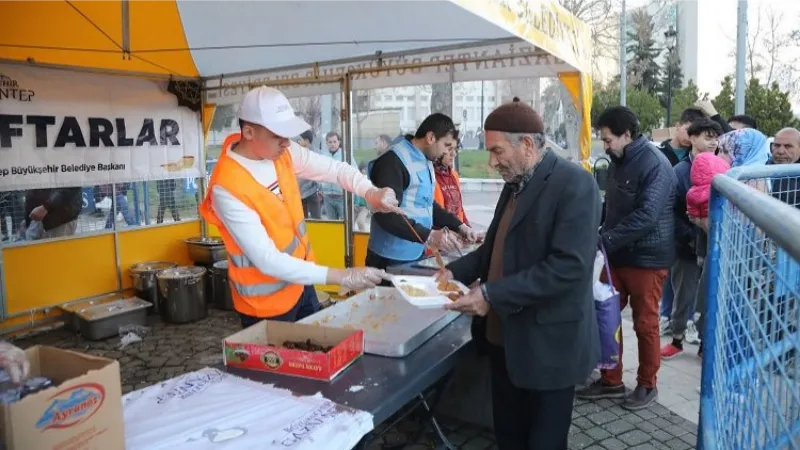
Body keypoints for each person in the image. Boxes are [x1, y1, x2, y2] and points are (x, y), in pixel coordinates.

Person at [436, 101, 601, 450]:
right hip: (504, 341)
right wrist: (451, 271)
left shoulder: (576, 185)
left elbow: (568, 268)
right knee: (509, 437)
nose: (492, 162)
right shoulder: (515, 184)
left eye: (497, 151)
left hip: (548, 349)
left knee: (543, 441)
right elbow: (492, 250)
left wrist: (490, 295)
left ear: (527, 145)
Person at [199, 86, 399, 327]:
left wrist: (371, 192)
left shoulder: (281, 151)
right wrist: (342, 276)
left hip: (301, 285)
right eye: (278, 135)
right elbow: (267, 260)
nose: (287, 143)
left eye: (288, 135)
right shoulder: (227, 187)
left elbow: (336, 169)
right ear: (249, 132)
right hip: (265, 306)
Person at [576, 106, 676, 410]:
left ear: (628, 135)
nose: (604, 146)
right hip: (616, 255)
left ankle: (648, 385)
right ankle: (611, 380)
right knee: (604, 315)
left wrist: (603, 239)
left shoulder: (655, 164)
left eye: (608, 140)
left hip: (647, 259)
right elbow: (613, 204)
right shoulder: (620, 161)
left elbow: (646, 216)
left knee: (645, 324)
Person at [366, 113, 478, 271]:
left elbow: (427, 204)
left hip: (415, 252)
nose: (447, 152)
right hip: (389, 257)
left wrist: (460, 226)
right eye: (446, 145)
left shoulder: (425, 160)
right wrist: (430, 235)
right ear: (431, 138)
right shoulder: (393, 161)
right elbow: (387, 215)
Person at [660, 118, 723, 359]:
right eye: (707, 137)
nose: (712, 142)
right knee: (683, 294)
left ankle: (704, 344)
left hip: (711, 246)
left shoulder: (723, 168)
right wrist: (688, 236)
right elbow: (669, 211)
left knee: (708, 296)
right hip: (686, 246)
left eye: (715, 138)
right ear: (692, 138)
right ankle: (676, 339)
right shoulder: (679, 172)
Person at [657, 107, 709, 335]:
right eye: (689, 131)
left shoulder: (712, 164)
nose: (690, 137)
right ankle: (670, 319)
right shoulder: (665, 157)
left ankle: (685, 322)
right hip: (676, 235)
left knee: (688, 283)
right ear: (678, 126)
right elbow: (667, 206)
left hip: (693, 237)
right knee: (674, 278)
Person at [433, 146, 469, 225]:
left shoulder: (454, 174)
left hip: (459, 228)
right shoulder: (431, 176)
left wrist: (466, 224)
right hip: (442, 231)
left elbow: (459, 206)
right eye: (449, 149)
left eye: (455, 149)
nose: (454, 154)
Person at [320, 131, 349, 220]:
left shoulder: (345, 155)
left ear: (339, 142)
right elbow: (320, 172)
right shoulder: (323, 156)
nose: (332, 144)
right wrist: (320, 187)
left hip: (341, 196)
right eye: (330, 142)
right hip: (327, 196)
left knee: (345, 222)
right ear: (326, 143)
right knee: (333, 224)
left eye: (334, 141)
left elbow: (353, 170)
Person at [296, 130, 323, 219]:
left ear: (307, 141)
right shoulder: (298, 153)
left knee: (316, 217)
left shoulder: (316, 154)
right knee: (302, 218)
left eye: (300, 140)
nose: (298, 142)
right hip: (301, 191)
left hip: (313, 190)